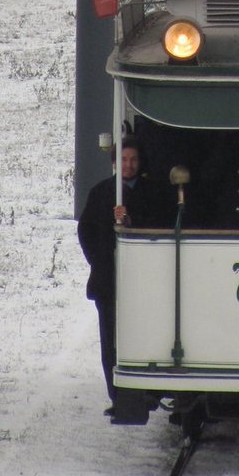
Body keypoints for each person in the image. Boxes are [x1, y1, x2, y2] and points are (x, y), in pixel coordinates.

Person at [77, 136, 161, 408]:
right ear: (115, 162)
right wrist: (99, 263)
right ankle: (118, 395)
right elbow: (86, 231)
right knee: (111, 341)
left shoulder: (154, 193)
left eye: (133, 159)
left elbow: (160, 226)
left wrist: (131, 221)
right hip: (108, 282)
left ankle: (149, 391)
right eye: (123, 160)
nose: (129, 165)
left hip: (146, 283)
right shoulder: (101, 193)